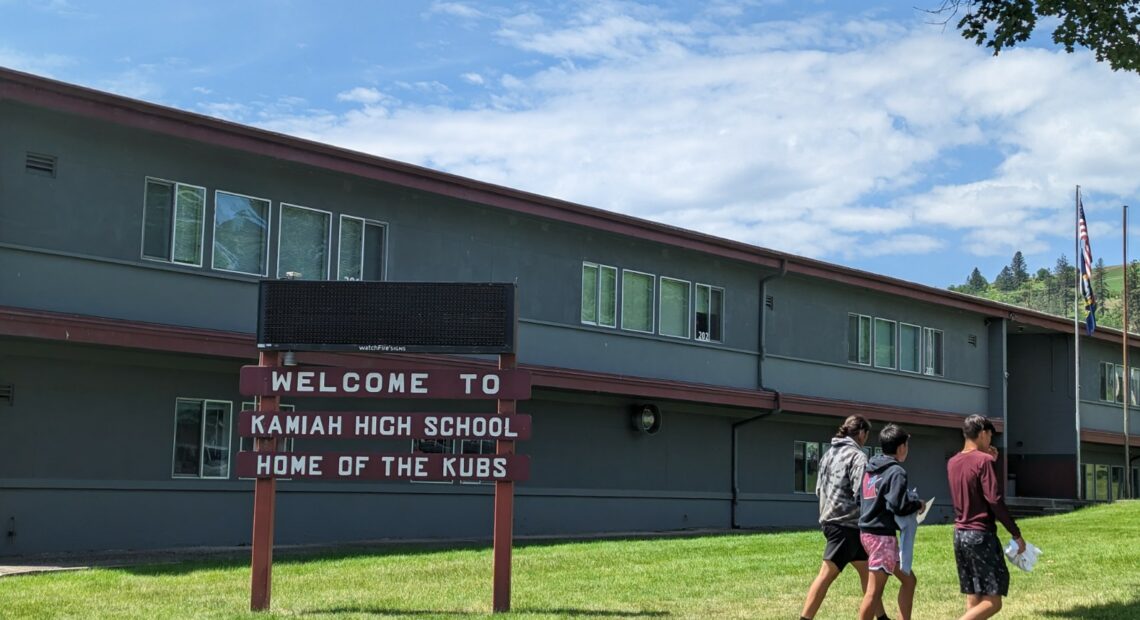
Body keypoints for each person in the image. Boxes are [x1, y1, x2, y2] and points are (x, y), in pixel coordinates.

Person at [799, 415, 889, 620]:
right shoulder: (858, 456)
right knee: (826, 574)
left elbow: (818, 489)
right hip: (846, 524)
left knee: (867, 573)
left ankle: (882, 617)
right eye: (867, 434)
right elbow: (862, 491)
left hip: (832, 520)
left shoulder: (828, 454)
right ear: (862, 433)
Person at [947, 415, 1025, 620]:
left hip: (960, 534)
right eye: (990, 435)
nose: (991, 441)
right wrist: (1016, 533)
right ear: (982, 433)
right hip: (980, 535)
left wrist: (991, 461)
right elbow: (994, 499)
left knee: (974, 594)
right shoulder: (984, 461)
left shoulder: (953, 462)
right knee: (993, 600)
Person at [857, 424, 922, 620]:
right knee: (874, 592)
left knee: (909, 580)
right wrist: (918, 504)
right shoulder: (896, 472)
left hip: (867, 534)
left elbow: (858, 499)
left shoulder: (869, 469)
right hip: (881, 538)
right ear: (901, 447)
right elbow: (898, 505)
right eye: (907, 445)